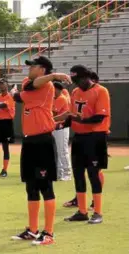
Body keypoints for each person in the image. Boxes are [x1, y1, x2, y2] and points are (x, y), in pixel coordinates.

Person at [10, 56, 71, 245]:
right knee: (31, 187)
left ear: (42, 69)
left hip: (43, 141)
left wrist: (52, 77)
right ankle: (33, 230)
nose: (29, 69)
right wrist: (53, 75)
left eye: (33, 66)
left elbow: (21, 94)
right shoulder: (31, 83)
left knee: (46, 187)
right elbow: (23, 92)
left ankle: (49, 233)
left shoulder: (48, 86)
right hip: (29, 142)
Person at [61, 65, 110, 225]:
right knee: (78, 173)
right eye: (74, 80)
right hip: (79, 137)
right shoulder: (75, 92)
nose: (77, 83)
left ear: (86, 77)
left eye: (78, 79)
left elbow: (99, 117)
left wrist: (80, 120)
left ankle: (98, 212)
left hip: (95, 137)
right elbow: (72, 115)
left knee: (93, 173)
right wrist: (59, 125)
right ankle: (82, 211)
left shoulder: (101, 91)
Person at [51, 81, 72, 181]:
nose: (52, 91)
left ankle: (67, 173)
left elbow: (54, 113)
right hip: (53, 127)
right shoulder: (52, 98)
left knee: (62, 151)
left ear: (58, 89)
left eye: (53, 89)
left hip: (61, 128)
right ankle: (59, 173)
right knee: (56, 151)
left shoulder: (62, 98)